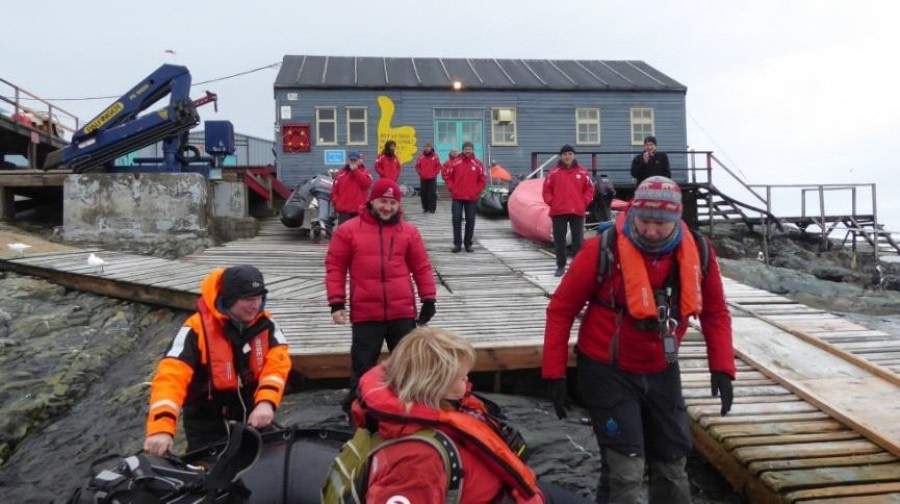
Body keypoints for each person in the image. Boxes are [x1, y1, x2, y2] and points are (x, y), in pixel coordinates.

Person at [542, 176, 735, 504]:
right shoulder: (601, 250)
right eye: (644, 221)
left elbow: (715, 313)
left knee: (673, 465)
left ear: (676, 220)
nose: (650, 231)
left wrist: (722, 368)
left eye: (660, 224)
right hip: (607, 369)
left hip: (662, 368)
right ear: (633, 213)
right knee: (626, 470)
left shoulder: (700, 251)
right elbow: (560, 310)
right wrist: (554, 373)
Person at [353, 327, 593, 503]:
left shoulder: (448, 408)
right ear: (435, 385)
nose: (467, 380)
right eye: (460, 376)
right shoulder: (416, 460)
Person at [144, 265, 291, 455]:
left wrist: (266, 402)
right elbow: (170, 378)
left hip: (252, 412)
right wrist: (161, 429)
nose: (255, 305)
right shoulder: (194, 331)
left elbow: (277, 367)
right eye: (248, 299)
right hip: (206, 420)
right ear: (228, 300)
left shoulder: (267, 325)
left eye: (259, 297)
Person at [325, 178, 437, 412]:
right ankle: (359, 412)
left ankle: (408, 411)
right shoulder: (348, 230)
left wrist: (428, 298)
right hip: (366, 313)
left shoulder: (409, 232)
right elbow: (335, 267)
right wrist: (337, 303)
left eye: (392, 203)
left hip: (402, 312)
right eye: (382, 201)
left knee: (408, 366)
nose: (387, 207)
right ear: (372, 201)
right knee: (363, 367)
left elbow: (422, 267)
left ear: (398, 205)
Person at [542, 144, 595, 277]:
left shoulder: (582, 172)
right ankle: (560, 265)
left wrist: (584, 202)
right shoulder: (553, 173)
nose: (567, 156)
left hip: (577, 210)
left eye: (570, 154)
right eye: (565, 154)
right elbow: (546, 191)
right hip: (558, 211)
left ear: (574, 155)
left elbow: (590, 189)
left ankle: (576, 266)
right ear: (561, 156)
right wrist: (552, 202)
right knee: (559, 240)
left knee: (578, 240)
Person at [444, 141, 487, 253]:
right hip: (457, 196)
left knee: (470, 220)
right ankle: (457, 244)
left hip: (471, 197)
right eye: (466, 149)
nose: (468, 151)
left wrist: (477, 191)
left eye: (470, 149)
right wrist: (451, 188)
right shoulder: (455, 163)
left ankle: (468, 244)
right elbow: (448, 176)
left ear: (473, 150)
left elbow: (482, 179)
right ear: (463, 150)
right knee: (456, 219)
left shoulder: (478, 164)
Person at [331, 151, 373, 225]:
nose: (353, 162)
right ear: (348, 161)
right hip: (344, 211)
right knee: (343, 234)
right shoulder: (341, 174)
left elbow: (366, 184)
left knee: (358, 234)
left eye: (355, 160)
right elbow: (334, 190)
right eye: (351, 160)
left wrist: (355, 171)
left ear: (359, 161)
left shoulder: (365, 173)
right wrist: (337, 203)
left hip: (359, 211)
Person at [415, 142, 442, 213]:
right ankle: (425, 207)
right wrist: (420, 173)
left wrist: (435, 173)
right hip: (423, 178)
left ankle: (432, 208)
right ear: (424, 148)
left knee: (432, 193)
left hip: (432, 178)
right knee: (424, 193)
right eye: (425, 147)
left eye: (428, 147)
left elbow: (439, 166)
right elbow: (417, 166)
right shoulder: (421, 157)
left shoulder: (435, 157)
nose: (427, 148)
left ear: (431, 148)